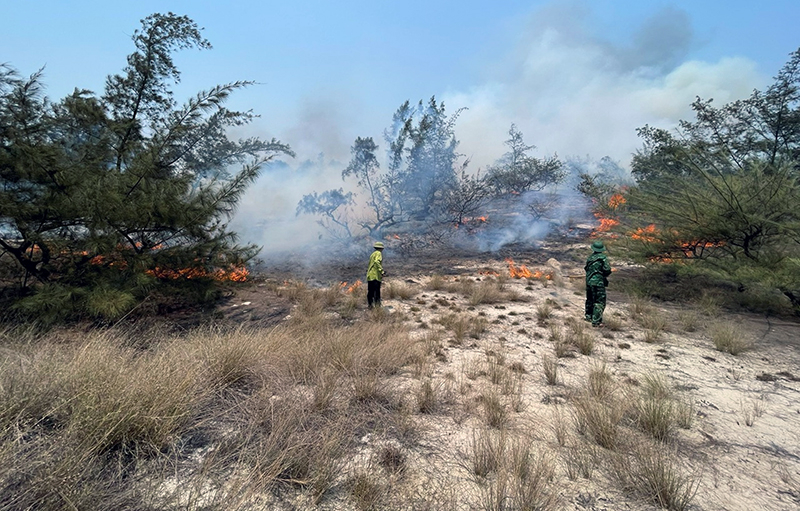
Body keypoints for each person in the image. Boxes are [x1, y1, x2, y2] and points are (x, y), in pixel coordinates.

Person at [584, 240, 612, 327]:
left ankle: (589, 316)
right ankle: (596, 321)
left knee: (590, 299)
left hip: (589, 282)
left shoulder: (590, 258)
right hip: (598, 283)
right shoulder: (603, 258)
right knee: (599, 301)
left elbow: (586, 269)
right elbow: (607, 270)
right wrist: (603, 274)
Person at [366, 241, 386, 309]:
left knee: (370, 291)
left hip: (370, 275)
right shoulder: (379, 253)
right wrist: (382, 271)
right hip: (375, 276)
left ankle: (370, 305)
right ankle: (378, 306)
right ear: (381, 248)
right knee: (376, 291)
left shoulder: (372, 254)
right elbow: (377, 262)